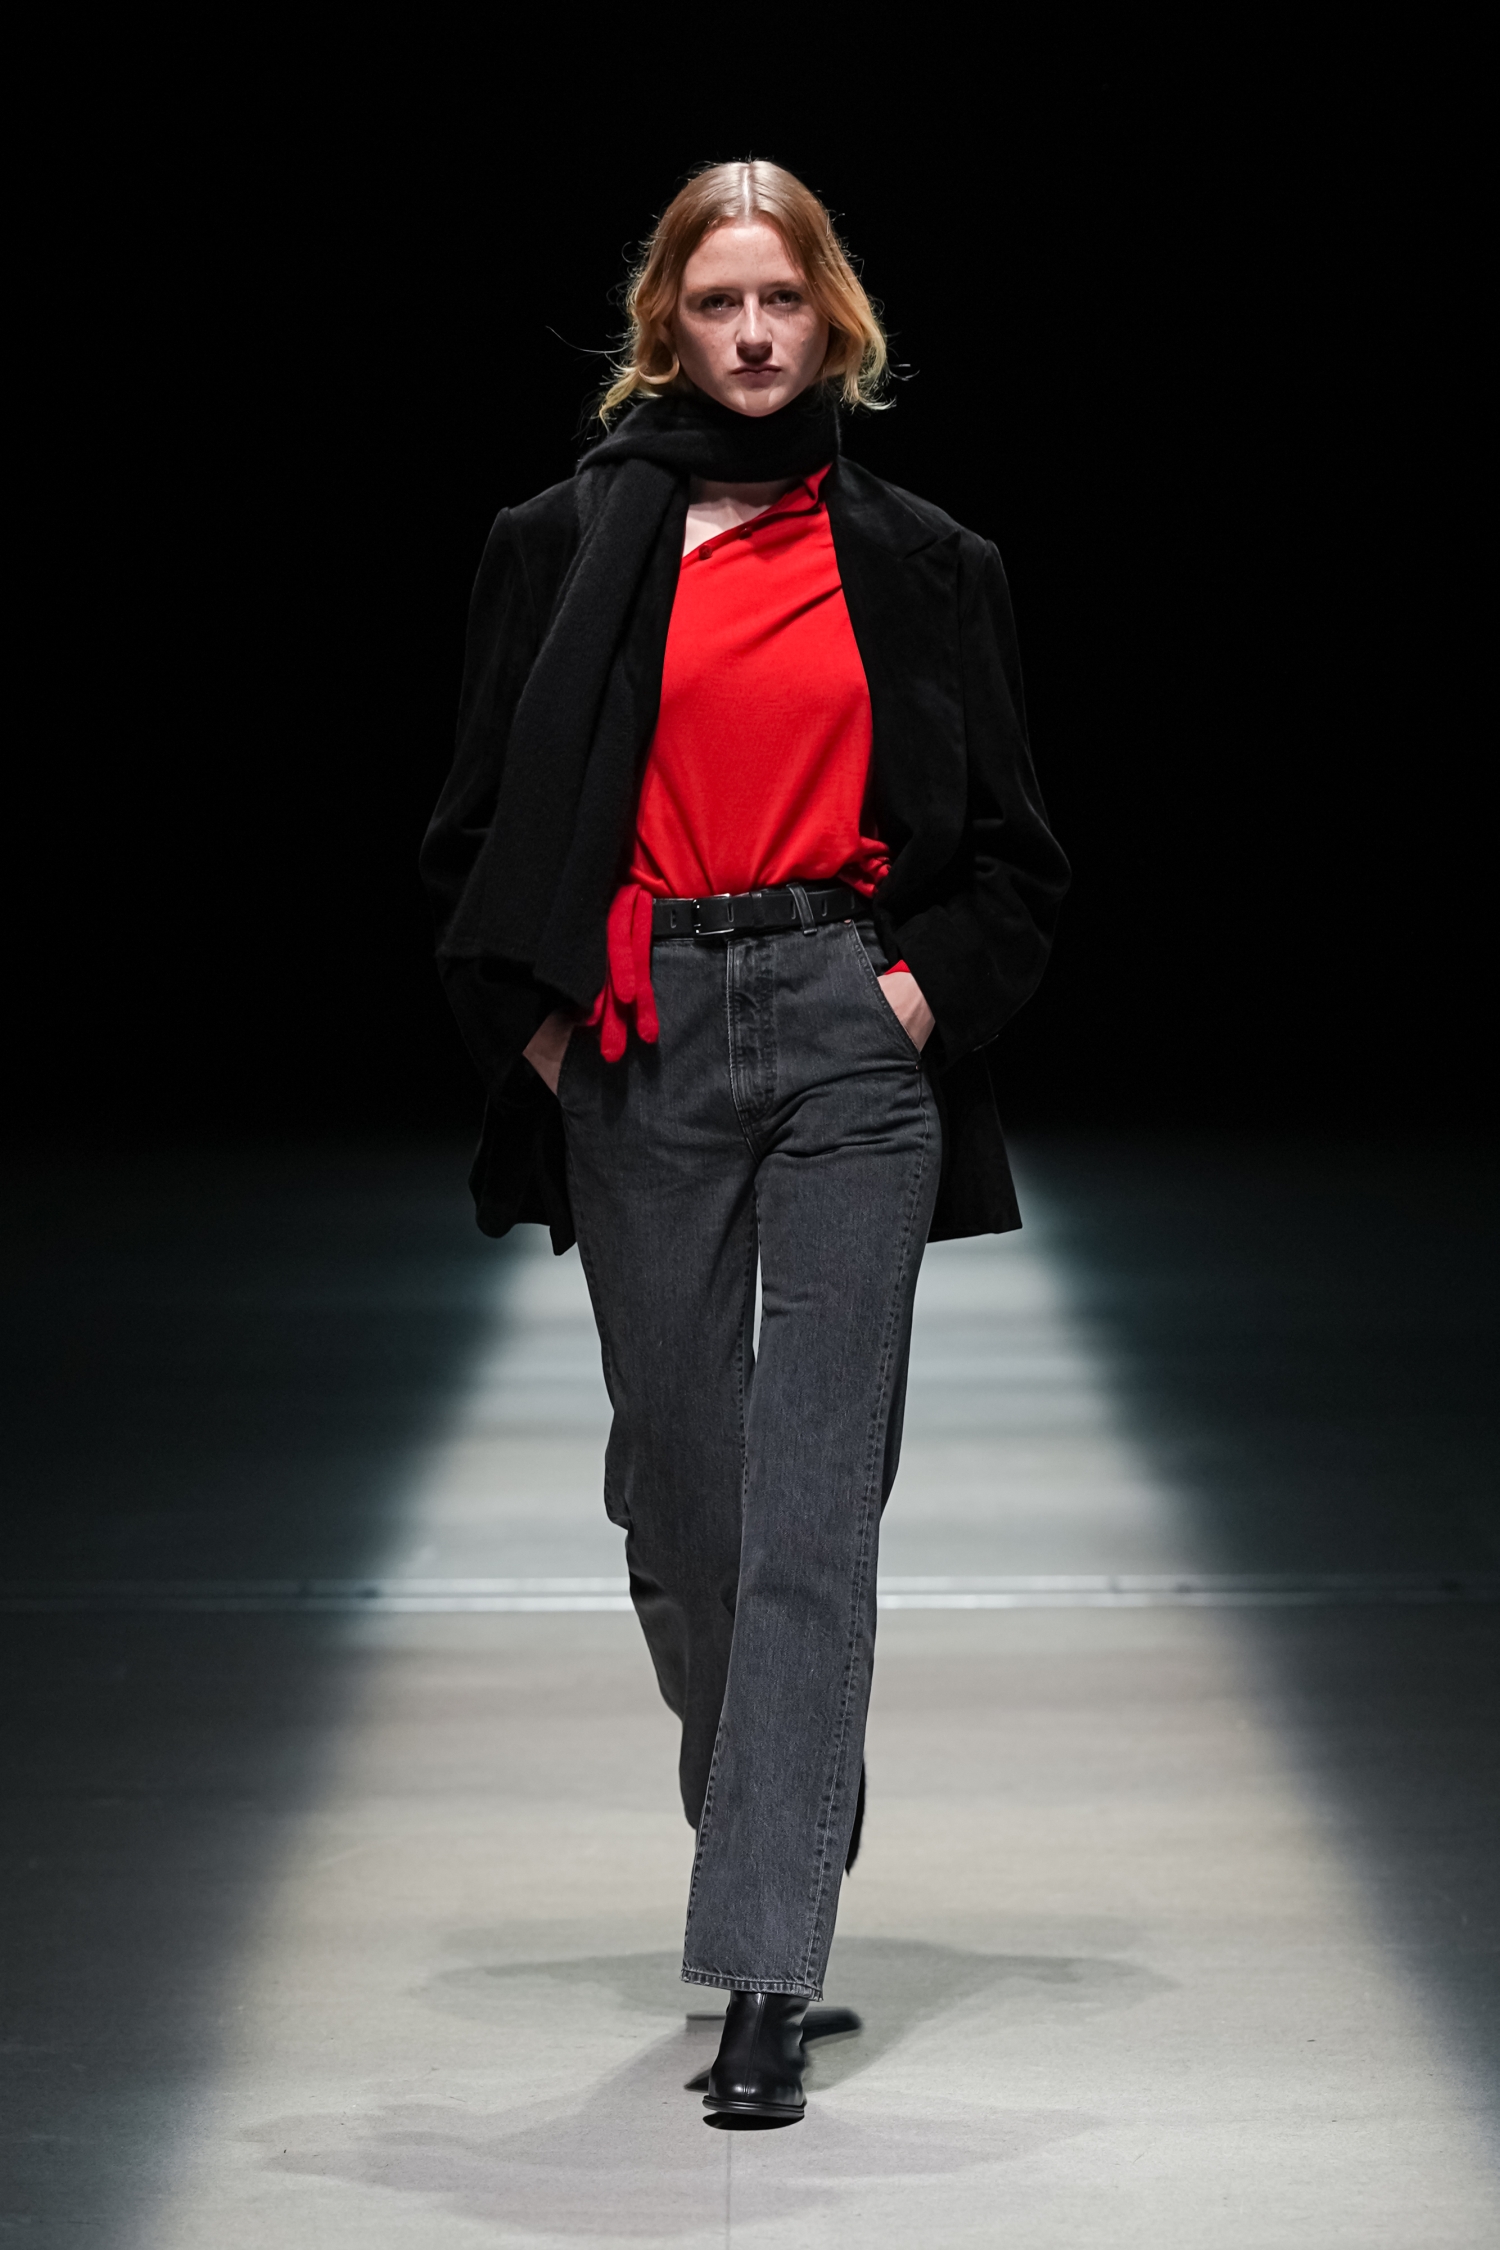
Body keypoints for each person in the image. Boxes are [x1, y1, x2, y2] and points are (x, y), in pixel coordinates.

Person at [421, 159, 1069, 2127]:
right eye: (721, 302)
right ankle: (779, 1807)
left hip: (848, 1030)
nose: (758, 332)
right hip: (639, 1033)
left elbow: (1018, 859)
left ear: (835, 318)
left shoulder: (925, 560)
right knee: (683, 1499)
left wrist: (912, 998)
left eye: (786, 298)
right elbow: (472, 835)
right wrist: (545, 1036)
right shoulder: (560, 546)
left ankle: (768, 1965)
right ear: (668, 326)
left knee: (807, 1508)